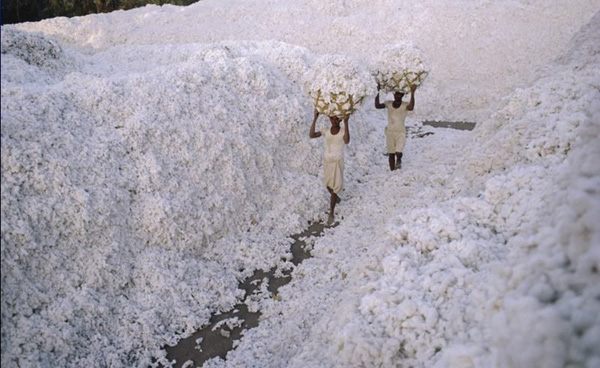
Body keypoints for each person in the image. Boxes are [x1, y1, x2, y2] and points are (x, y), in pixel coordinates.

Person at [309, 109, 350, 225]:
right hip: (327, 161)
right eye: (332, 118)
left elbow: (346, 141)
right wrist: (315, 119)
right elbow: (311, 135)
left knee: (334, 187)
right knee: (328, 185)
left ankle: (331, 212)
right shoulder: (326, 131)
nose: (334, 121)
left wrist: (347, 123)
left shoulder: (342, 131)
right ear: (330, 119)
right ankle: (335, 198)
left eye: (337, 118)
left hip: (337, 161)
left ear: (340, 120)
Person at [374, 83, 417, 171]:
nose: (397, 96)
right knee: (391, 154)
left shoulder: (405, 105)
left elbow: (411, 107)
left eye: (399, 95)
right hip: (390, 132)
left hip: (400, 132)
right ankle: (392, 171)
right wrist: (377, 91)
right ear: (394, 95)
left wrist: (412, 92)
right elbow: (377, 106)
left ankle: (399, 159)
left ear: (402, 95)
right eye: (396, 94)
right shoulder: (388, 103)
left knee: (398, 152)